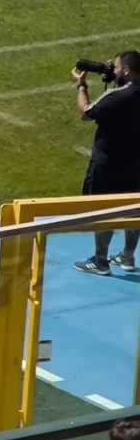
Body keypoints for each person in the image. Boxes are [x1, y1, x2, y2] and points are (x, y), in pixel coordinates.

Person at [73, 51, 140, 275]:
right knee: (134, 210)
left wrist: (81, 86)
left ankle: (100, 261)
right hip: (136, 165)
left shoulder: (117, 96)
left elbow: (86, 112)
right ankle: (128, 256)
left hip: (108, 165)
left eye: (118, 68)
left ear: (127, 70)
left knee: (104, 209)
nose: (114, 70)